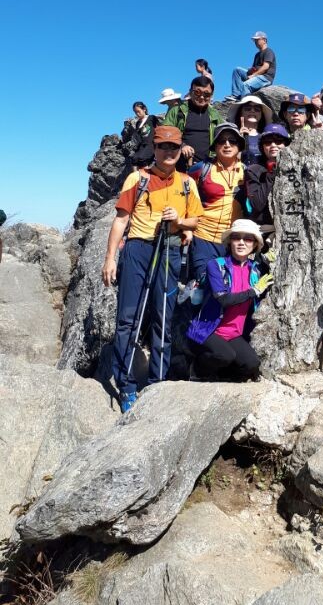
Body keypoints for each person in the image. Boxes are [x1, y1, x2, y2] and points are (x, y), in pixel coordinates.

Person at [101, 125, 204, 413]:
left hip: (170, 248)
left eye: (174, 147)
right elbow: (121, 220)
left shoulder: (187, 183)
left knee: (163, 317)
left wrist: (179, 222)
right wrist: (110, 258)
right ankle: (126, 385)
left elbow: (196, 220)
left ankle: (157, 381)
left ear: (181, 150)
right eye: (163, 146)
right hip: (138, 248)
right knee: (128, 319)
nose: (168, 151)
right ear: (155, 149)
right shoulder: (138, 178)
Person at [185, 219, 271, 382]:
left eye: (248, 239)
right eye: (236, 237)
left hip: (233, 333)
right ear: (230, 241)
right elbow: (223, 299)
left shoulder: (255, 269)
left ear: (255, 244)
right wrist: (253, 291)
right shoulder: (216, 266)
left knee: (251, 364)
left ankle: (220, 375)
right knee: (224, 355)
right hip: (208, 330)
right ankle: (197, 369)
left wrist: (271, 262)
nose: (241, 242)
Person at [188, 122, 246, 280]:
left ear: (239, 145)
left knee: (231, 286)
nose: (227, 144)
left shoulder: (247, 172)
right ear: (215, 145)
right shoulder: (201, 169)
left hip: (235, 240)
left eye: (232, 140)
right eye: (221, 140)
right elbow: (184, 195)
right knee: (206, 283)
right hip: (204, 237)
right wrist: (186, 228)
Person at [164, 76, 224, 170]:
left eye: (206, 94)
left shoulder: (215, 115)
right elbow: (165, 133)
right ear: (190, 92)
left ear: (211, 95)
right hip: (180, 167)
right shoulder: (176, 111)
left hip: (208, 168)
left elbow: (223, 136)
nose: (201, 97)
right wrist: (182, 145)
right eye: (197, 92)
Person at [244, 123, 291, 227]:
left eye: (278, 141)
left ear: (286, 145)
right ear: (262, 147)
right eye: (268, 142)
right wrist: (271, 174)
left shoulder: (296, 167)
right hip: (263, 227)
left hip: (290, 224)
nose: (273, 145)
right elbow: (256, 204)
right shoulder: (253, 170)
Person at [230, 31, 277, 101]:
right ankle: (236, 95)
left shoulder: (269, 51)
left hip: (265, 78)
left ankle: (245, 103)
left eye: (257, 39)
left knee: (245, 85)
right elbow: (254, 68)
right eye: (255, 40)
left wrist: (253, 75)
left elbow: (265, 67)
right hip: (256, 75)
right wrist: (251, 70)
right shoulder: (257, 55)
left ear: (264, 40)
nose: (255, 42)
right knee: (237, 70)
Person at [232, 95, 273, 167]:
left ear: (261, 114)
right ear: (240, 113)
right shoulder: (232, 136)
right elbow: (231, 161)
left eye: (257, 109)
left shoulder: (267, 137)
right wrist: (240, 139)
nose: (252, 111)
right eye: (248, 108)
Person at [128, 101, 159, 167]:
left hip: (151, 144)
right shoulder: (138, 123)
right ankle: (136, 174)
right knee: (134, 159)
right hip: (142, 146)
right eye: (135, 112)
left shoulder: (151, 118)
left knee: (142, 158)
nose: (137, 114)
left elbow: (159, 128)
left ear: (144, 109)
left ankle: (146, 173)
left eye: (138, 111)